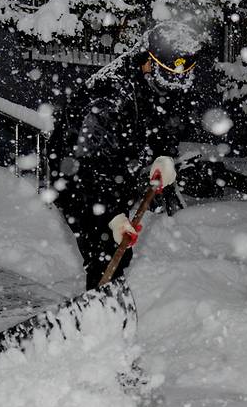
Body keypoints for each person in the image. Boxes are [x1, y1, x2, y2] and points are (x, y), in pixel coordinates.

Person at [47, 21, 202, 290]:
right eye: (167, 77)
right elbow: (90, 164)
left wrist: (164, 154)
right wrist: (112, 214)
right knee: (106, 252)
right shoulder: (108, 96)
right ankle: (98, 317)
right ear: (148, 60)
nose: (172, 88)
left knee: (118, 254)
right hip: (77, 178)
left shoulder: (154, 83)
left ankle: (104, 306)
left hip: (118, 171)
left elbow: (165, 119)